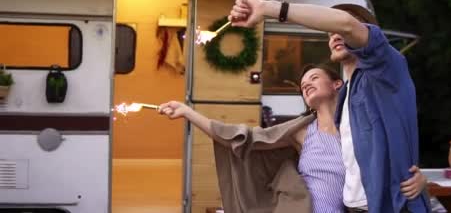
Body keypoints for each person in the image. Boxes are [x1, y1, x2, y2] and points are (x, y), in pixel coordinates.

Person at [229, 0, 431, 213]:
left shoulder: (386, 67)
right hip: (354, 208)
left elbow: (345, 24)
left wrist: (267, 8)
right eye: (329, 33)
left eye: (339, 29)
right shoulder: (345, 96)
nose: (334, 34)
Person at [160, 64, 427, 213]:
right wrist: (188, 112)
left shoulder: (360, 129)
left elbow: (394, 160)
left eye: (314, 78)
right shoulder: (301, 131)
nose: (306, 84)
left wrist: (420, 179)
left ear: (337, 84)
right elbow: (240, 138)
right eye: (303, 85)